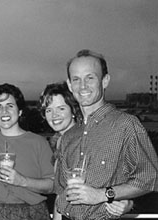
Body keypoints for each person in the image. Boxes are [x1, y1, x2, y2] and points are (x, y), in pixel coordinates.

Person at [54, 49, 158, 220]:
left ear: (105, 81)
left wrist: (104, 194)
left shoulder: (126, 125)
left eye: (90, 77)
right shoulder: (68, 136)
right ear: (69, 85)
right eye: (76, 79)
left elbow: (150, 178)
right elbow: (60, 196)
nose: (82, 86)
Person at [39, 82, 133, 219]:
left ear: (73, 110)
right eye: (48, 110)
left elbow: (124, 178)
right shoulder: (60, 141)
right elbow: (61, 194)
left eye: (61, 108)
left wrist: (127, 203)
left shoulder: (93, 138)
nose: (54, 115)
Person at [0, 83, 54, 220]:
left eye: (10, 106)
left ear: (20, 111)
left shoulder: (38, 143)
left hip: (30, 214)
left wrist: (22, 181)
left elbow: (52, 185)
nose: (4, 111)